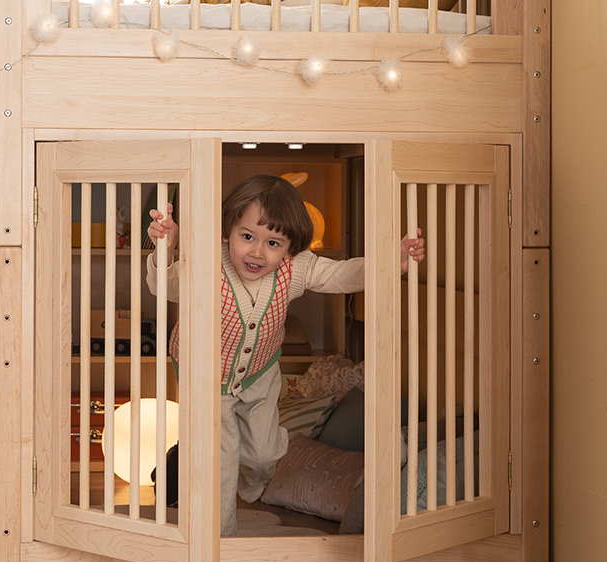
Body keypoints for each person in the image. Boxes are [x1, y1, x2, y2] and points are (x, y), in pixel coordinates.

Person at [146, 174, 425, 535]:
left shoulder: (297, 268)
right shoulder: (206, 263)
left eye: (273, 243)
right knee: (221, 461)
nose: (257, 252)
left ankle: (254, 474)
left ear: (291, 247)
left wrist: (391, 261)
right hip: (205, 373)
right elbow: (165, 287)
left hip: (259, 372)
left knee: (263, 456)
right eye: (247, 237)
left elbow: (341, 275)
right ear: (229, 230)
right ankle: (219, 545)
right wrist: (164, 250)